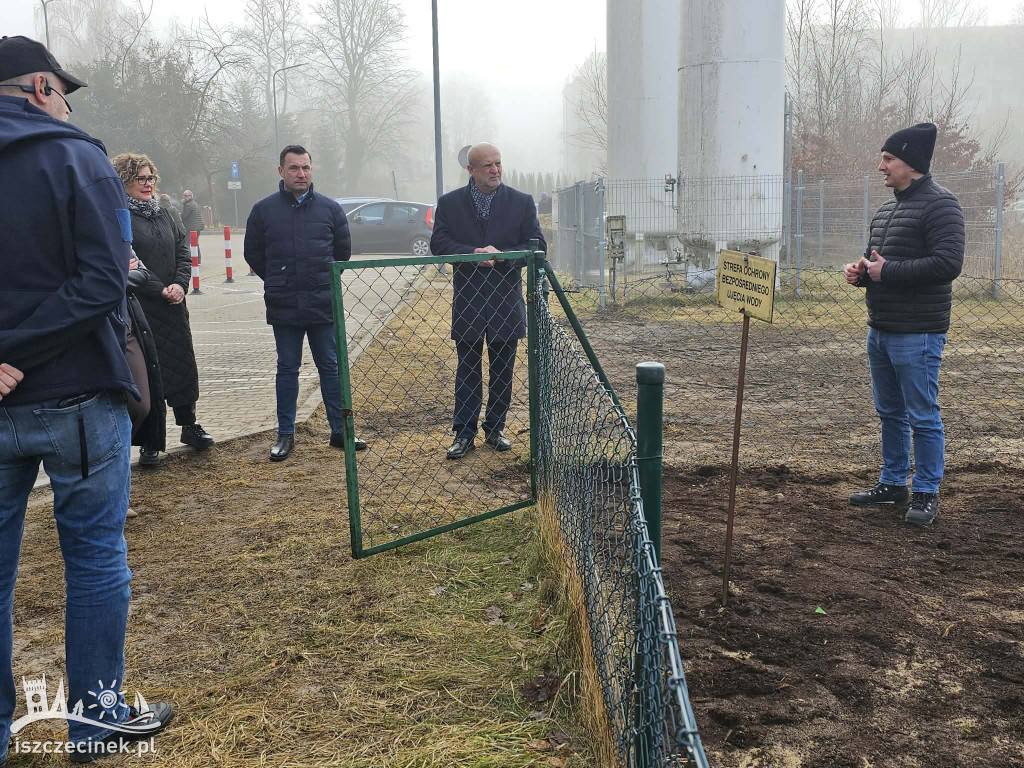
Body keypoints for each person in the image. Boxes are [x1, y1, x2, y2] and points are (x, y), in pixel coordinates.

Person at [0, 35, 173, 763]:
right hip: (74, 398)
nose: (66, 104)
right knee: (97, 561)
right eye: (64, 91)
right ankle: (96, 728)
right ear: (41, 86)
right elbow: (105, 282)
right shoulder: (76, 157)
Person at [843, 122, 964, 526]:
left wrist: (887, 272)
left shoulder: (941, 205)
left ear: (911, 163)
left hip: (919, 333)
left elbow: (948, 264)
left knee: (922, 415)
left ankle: (927, 492)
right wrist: (860, 272)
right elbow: (876, 261)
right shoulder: (887, 209)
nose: (881, 166)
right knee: (890, 412)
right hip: (881, 329)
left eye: (888, 158)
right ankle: (893, 484)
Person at [244, 144, 368, 461]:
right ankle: (285, 434)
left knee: (331, 367)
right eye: (294, 168)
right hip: (284, 305)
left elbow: (342, 253)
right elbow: (253, 253)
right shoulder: (263, 210)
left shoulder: (330, 209)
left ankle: (340, 432)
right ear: (281, 171)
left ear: (312, 169)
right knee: (287, 368)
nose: (301, 173)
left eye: (306, 168)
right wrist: (277, 279)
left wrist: (318, 280)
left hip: (322, 303)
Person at [429, 142, 545, 460]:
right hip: (467, 300)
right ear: (471, 170)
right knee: (467, 369)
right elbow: (438, 242)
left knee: (503, 369)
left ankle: (495, 429)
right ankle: (464, 433)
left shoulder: (521, 203)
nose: (495, 170)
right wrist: (471, 253)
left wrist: (503, 256)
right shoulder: (450, 203)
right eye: (487, 165)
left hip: (506, 301)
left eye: (498, 164)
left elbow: (537, 245)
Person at [112, 152, 215, 464]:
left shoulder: (168, 212)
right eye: (139, 178)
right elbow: (129, 263)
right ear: (124, 182)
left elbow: (183, 250)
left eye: (150, 177)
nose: (147, 184)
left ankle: (189, 425)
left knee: (183, 366)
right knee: (150, 375)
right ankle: (151, 440)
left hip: (174, 304)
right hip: (142, 307)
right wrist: (160, 289)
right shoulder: (119, 217)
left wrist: (181, 285)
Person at [181, 189, 204, 264]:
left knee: (187, 244)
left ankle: (188, 260)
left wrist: (180, 217)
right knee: (196, 243)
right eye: (184, 196)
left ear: (190, 196)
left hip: (190, 228)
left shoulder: (188, 205)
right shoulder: (195, 204)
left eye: (186, 196)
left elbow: (184, 216)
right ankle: (198, 260)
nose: (184, 197)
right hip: (198, 227)